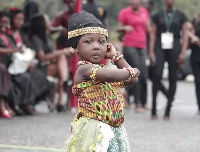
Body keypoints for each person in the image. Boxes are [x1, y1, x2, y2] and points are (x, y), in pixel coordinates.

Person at [63, 12, 140, 151]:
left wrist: (116, 57)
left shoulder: (108, 74)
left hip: (114, 130)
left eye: (102, 41)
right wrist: (130, 70)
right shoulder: (85, 69)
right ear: (76, 48)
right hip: (96, 131)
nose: (96, 46)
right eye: (88, 41)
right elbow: (110, 75)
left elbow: (133, 79)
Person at [148, 0, 188, 120]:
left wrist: (183, 52)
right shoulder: (158, 15)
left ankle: (168, 109)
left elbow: (185, 34)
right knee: (157, 74)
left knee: (172, 77)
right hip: (160, 46)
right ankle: (154, 108)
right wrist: (150, 51)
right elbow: (153, 34)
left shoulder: (181, 15)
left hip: (174, 46)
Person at [28, 14, 74, 112]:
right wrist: (63, 51)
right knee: (61, 56)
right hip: (40, 67)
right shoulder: (37, 39)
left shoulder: (47, 36)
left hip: (50, 66)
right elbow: (42, 58)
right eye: (47, 20)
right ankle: (62, 86)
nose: (50, 22)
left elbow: (52, 54)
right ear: (41, 24)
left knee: (61, 58)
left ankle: (62, 84)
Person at [117, 0, 150, 112]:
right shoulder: (125, 12)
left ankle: (143, 101)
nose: (133, 2)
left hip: (142, 46)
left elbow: (148, 28)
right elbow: (118, 28)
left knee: (144, 74)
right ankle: (137, 104)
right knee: (136, 72)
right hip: (130, 45)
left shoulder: (145, 12)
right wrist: (125, 28)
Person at [0, 11, 23, 118]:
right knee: (2, 70)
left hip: (7, 65)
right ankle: (2, 105)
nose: (4, 25)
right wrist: (14, 50)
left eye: (7, 23)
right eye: (2, 22)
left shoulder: (8, 36)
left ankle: (11, 104)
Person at [186, 15, 200, 118]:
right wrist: (192, 35)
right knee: (198, 82)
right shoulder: (195, 19)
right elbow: (186, 29)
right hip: (195, 56)